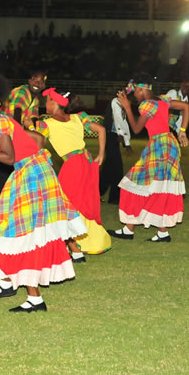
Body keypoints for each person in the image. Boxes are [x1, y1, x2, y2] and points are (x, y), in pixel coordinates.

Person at [0, 79, 86, 313]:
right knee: (11, 231)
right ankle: (8, 282)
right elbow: (38, 140)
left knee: (21, 235)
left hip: (30, 174)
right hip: (33, 171)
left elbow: (10, 158)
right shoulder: (2, 120)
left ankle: (32, 298)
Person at [108, 75, 189, 242]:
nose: (135, 96)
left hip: (159, 147)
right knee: (155, 187)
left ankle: (136, 230)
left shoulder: (147, 105)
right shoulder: (163, 100)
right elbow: (187, 106)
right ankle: (151, 231)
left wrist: (127, 107)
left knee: (132, 183)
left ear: (142, 90)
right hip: (167, 144)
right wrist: (182, 130)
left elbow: (137, 128)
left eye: (135, 93)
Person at [36, 87, 110, 257]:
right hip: (87, 163)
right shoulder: (78, 117)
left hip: (73, 167)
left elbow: (37, 142)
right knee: (83, 204)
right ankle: (81, 244)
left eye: (47, 100)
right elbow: (101, 129)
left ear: (54, 103)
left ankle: (74, 248)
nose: (45, 103)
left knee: (64, 205)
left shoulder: (46, 124)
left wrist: (27, 126)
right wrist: (101, 153)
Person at [0, 69, 48, 204]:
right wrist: (18, 134)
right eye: (35, 79)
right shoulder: (23, 92)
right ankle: (0, 208)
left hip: (8, 135)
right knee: (0, 175)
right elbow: (17, 110)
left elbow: (33, 118)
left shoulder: (35, 99)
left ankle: (9, 207)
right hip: (0, 134)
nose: (38, 83)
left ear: (44, 86)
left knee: (9, 174)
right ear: (29, 80)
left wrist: (33, 130)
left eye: (41, 81)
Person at [99, 85, 133, 205]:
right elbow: (118, 120)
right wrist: (124, 139)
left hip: (114, 136)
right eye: (122, 93)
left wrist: (127, 141)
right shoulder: (115, 102)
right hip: (111, 135)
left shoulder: (122, 104)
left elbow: (124, 122)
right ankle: (114, 198)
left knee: (108, 168)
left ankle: (97, 192)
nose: (124, 95)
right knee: (117, 168)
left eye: (125, 93)